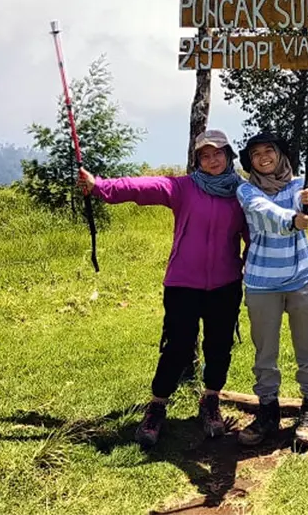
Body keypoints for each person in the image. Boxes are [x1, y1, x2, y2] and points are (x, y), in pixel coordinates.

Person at [77, 129, 247, 449]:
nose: (212, 160)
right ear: (197, 160)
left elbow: (254, 235)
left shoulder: (242, 194)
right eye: (205, 155)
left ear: (229, 155)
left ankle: (210, 401)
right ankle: (157, 406)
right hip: (183, 283)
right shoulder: (183, 187)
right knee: (178, 347)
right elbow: (143, 188)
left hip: (226, 283)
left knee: (219, 346)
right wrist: (100, 186)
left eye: (218, 153)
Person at [234, 131, 308, 449]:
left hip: (302, 278)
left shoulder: (299, 185)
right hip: (261, 282)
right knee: (265, 353)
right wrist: (292, 219)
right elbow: (264, 213)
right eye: (256, 153)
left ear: (279, 154)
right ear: (251, 161)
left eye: (268, 150)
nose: (263, 157)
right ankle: (268, 411)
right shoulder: (246, 190)